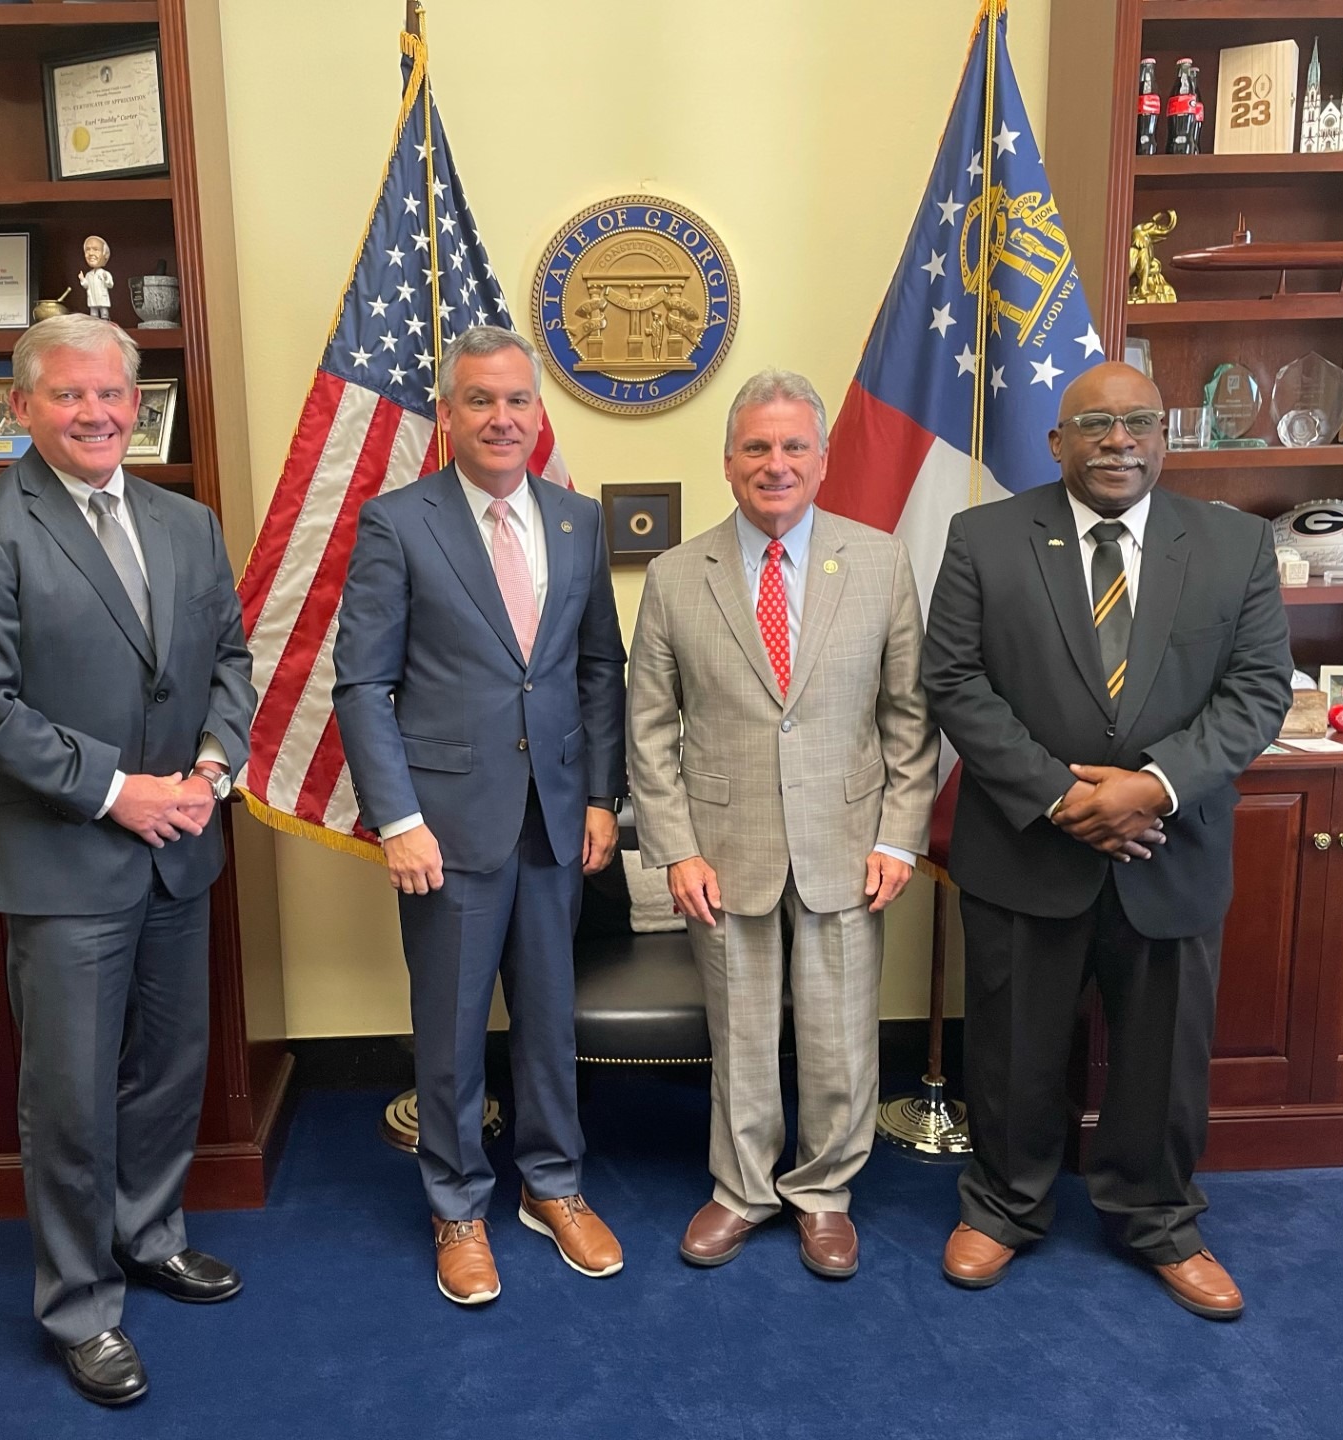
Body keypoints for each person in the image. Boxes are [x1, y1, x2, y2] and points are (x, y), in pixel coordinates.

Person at [0, 314, 256, 1407]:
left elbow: (231, 662)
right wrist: (120, 791)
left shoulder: (188, 523)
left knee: (169, 1072)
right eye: (70, 396)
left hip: (181, 851)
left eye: (113, 394)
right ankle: (79, 1302)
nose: (98, 413)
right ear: (23, 407)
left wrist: (211, 765)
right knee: (67, 1095)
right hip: (63, 860)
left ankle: (149, 1235)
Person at [921, 361, 1292, 1320]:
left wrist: (1150, 788)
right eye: (1094, 424)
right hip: (1026, 848)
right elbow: (954, 681)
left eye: (1137, 422)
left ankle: (1161, 1218)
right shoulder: (985, 537)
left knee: (1166, 1058)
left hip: (1171, 850)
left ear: (1165, 436)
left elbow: (1257, 692)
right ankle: (1003, 1208)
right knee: (1009, 1051)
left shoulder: (1236, 545)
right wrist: (1059, 797)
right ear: (1057, 442)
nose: (1117, 440)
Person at [333, 325, 628, 1306]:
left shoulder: (578, 522)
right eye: (480, 401)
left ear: (538, 416)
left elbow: (596, 670)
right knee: (453, 1030)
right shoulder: (396, 523)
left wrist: (599, 798)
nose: (501, 418)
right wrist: (398, 818)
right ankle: (458, 1207)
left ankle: (554, 1187)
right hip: (447, 824)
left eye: (517, 402)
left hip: (554, 818)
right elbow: (362, 686)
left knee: (549, 1020)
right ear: (448, 414)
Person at [628, 370, 938, 1279]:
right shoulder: (679, 574)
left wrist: (897, 835)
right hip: (726, 850)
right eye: (756, 447)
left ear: (823, 459)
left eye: (794, 446)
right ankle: (742, 1191)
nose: (776, 464)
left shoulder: (878, 560)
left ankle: (824, 1192)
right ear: (728, 463)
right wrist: (675, 849)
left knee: (842, 1031)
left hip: (848, 840)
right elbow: (650, 724)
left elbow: (908, 716)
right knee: (742, 1031)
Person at [79, 236, 114, 320]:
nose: (91, 253)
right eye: (88, 249)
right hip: (92, 299)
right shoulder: (88, 274)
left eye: (95, 249)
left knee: (104, 314)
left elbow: (110, 285)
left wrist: (106, 278)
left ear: (104, 254)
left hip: (102, 298)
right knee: (93, 314)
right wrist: (82, 279)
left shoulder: (104, 273)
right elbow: (86, 285)